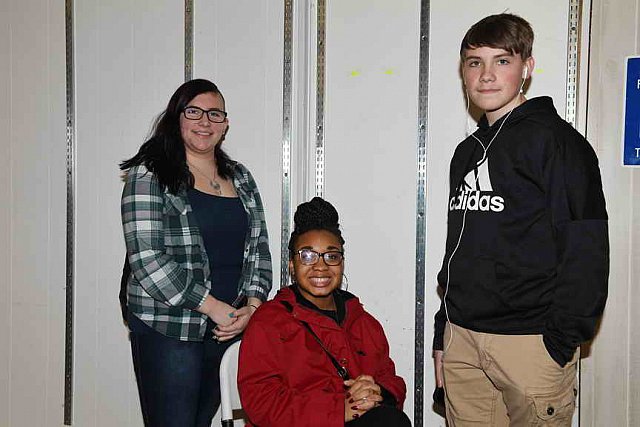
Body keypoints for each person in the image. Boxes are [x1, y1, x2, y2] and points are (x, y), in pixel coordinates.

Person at [432, 14, 609, 426]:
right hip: (462, 340)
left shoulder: (557, 142)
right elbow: (459, 249)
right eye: (475, 62)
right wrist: (445, 331)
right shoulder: (467, 152)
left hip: (530, 344)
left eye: (502, 61)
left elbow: (586, 250)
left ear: (527, 67)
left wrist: (559, 343)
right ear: (463, 72)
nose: (487, 75)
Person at [120, 78, 272, 427]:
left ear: (225, 124)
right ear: (177, 118)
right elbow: (147, 259)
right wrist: (214, 307)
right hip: (168, 327)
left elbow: (259, 248)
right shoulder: (149, 174)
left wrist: (252, 307)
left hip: (227, 328)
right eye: (194, 112)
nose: (205, 121)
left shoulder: (241, 177)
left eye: (215, 114)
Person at [238, 197, 411, 427]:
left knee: (390, 420)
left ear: (342, 263)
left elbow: (390, 378)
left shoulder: (361, 320)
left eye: (332, 256)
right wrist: (339, 409)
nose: (321, 266)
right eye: (307, 255)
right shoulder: (269, 321)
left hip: (360, 420)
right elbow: (262, 402)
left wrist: (375, 392)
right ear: (292, 264)